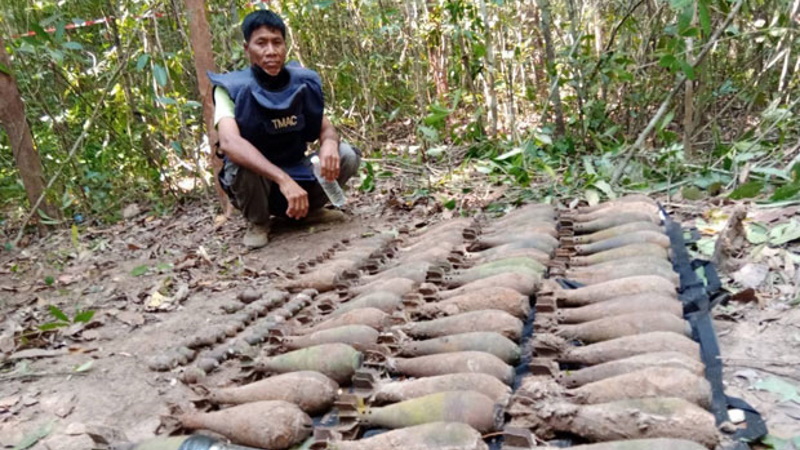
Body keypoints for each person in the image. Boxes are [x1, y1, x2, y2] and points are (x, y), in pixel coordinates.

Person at [208, 10, 361, 249]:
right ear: (248, 49)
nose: (271, 51)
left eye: (276, 42)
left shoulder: (302, 82)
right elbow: (229, 143)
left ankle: (310, 211)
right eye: (261, 43)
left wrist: (329, 145)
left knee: (347, 155)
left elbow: (326, 127)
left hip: (297, 170)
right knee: (239, 163)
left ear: (285, 46)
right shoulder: (230, 88)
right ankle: (258, 223)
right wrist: (283, 179)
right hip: (259, 184)